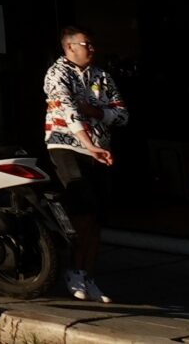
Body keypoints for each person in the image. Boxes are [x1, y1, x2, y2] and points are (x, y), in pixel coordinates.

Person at [43, 26, 127, 302]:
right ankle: (73, 271)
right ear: (69, 47)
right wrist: (86, 142)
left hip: (99, 149)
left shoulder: (101, 76)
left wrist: (97, 112)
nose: (92, 49)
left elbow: (122, 114)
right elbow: (68, 110)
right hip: (67, 145)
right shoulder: (58, 73)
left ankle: (87, 274)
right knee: (83, 211)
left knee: (98, 216)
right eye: (85, 44)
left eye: (92, 44)